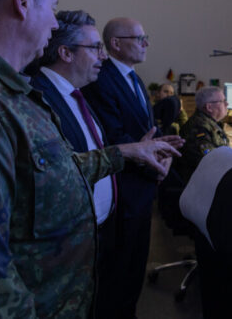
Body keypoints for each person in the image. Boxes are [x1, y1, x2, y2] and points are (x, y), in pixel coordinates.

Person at [0, 0, 179, 317]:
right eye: (52, 7)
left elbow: (46, 174)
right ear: (23, 1)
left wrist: (124, 153)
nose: (53, 21)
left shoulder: (7, 88)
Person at [28, 10, 119, 318]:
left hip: (95, 231)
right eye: (95, 48)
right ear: (65, 53)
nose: (103, 57)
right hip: (63, 245)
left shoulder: (78, 94)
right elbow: (56, 169)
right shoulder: (40, 97)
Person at [82, 17, 164, 318]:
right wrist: (152, 163)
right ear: (116, 44)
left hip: (142, 188)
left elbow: (146, 132)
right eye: (139, 38)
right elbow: (113, 136)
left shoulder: (135, 78)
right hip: (123, 190)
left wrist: (161, 151)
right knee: (118, 277)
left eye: (146, 37)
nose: (146, 43)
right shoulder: (102, 79)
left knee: (133, 273)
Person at [175, 86, 232, 182]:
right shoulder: (199, 128)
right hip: (204, 184)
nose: (227, 104)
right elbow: (213, 163)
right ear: (209, 107)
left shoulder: (206, 122)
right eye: (222, 101)